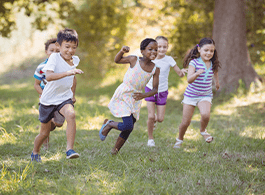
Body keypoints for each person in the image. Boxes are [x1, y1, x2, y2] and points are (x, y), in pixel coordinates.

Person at [99, 38, 160, 155]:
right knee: (127, 125)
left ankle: (115, 151)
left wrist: (144, 95)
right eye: (150, 49)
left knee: (129, 127)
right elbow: (117, 60)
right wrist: (122, 51)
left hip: (136, 97)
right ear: (142, 51)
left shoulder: (155, 69)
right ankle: (110, 124)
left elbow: (155, 89)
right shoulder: (134, 59)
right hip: (124, 94)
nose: (153, 52)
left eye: (156, 50)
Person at [31, 28, 84, 162]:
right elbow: (48, 76)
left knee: (71, 115)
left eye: (74, 47)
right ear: (58, 46)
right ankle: (35, 152)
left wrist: (72, 94)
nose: (70, 50)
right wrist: (68, 73)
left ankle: (69, 149)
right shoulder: (54, 57)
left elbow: (73, 79)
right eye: (67, 47)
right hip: (47, 101)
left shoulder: (75, 60)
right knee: (44, 133)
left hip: (64, 98)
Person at [173, 37, 221, 148]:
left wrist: (217, 83)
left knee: (205, 115)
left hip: (205, 95)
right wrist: (196, 74)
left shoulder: (213, 63)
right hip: (191, 96)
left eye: (211, 51)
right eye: (206, 50)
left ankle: (203, 131)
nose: (209, 53)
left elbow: (216, 72)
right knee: (186, 122)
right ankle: (179, 139)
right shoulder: (194, 63)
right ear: (199, 49)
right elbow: (189, 79)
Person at [145, 36, 187, 147]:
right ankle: (150, 139)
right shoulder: (150, 58)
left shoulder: (169, 60)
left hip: (162, 91)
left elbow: (179, 73)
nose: (162, 49)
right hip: (150, 89)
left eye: (165, 47)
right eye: (159, 47)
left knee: (160, 119)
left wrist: (183, 72)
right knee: (150, 116)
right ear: (154, 47)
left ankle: (154, 119)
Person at [33, 38, 65, 150]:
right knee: (45, 128)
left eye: (57, 51)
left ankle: (51, 120)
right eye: (51, 50)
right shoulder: (42, 67)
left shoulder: (63, 66)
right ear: (46, 51)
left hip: (59, 99)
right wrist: (43, 95)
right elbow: (36, 84)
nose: (54, 53)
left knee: (59, 123)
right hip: (45, 100)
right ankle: (46, 146)